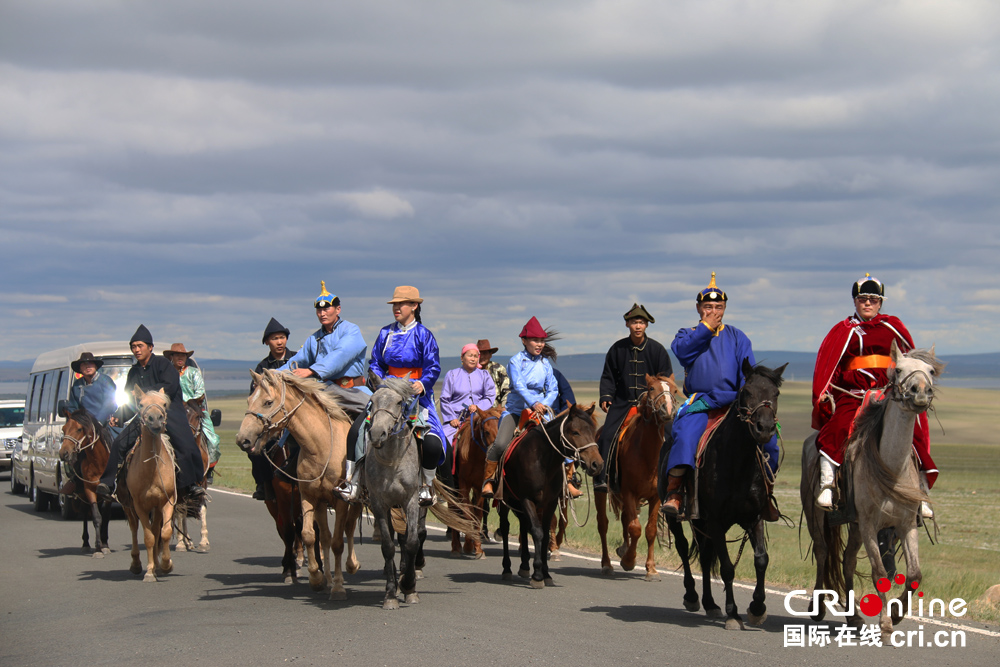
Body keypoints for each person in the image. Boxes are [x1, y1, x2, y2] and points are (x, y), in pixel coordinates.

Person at [812, 274, 936, 518]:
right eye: (862, 299)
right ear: (855, 302)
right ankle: (827, 483)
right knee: (839, 425)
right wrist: (826, 391)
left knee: (915, 430)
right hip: (855, 393)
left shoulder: (893, 327)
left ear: (880, 303)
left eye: (873, 300)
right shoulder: (843, 330)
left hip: (889, 393)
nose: (867, 304)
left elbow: (909, 362)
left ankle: (920, 493)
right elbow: (831, 364)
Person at [660, 274, 780, 522]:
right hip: (701, 403)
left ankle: (765, 495)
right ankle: (675, 493)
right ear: (698, 309)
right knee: (686, 435)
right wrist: (706, 328)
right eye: (708, 307)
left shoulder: (738, 337)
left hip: (734, 403)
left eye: (719, 307)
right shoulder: (687, 334)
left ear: (725, 308)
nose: (714, 311)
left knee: (769, 440)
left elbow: (749, 374)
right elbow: (682, 353)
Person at [342, 286, 446, 507]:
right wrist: (379, 384)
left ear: (414, 306)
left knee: (433, 444)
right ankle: (352, 482)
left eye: (401, 304)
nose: (396, 308)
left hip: (415, 396)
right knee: (356, 431)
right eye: (394, 305)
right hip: (387, 393)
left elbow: (433, 367)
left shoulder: (424, 335)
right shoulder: (385, 333)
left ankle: (426, 485)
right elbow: (376, 363)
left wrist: (423, 383)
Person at [96, 325, 206, 502]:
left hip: (169, 413)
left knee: (185, 445)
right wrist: (120, 416)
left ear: (150, 347)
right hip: (144, 418)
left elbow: (169, 388)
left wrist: (144, 392)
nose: (137, 350)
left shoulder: (163, 365)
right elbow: (131, 399)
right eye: (134, 347)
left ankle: (192, 484)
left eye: (140, 346)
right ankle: (108, 483)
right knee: (119, 443)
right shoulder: (134, 372)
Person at [595, 304, 674, 491]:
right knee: (606, 436)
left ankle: (674, 480)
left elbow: (666, 379)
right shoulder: (617, 349)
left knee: (672, 434)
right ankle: (602, 478)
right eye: (633, 322)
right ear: (627, 324)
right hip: (622, 403)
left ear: (646, 325)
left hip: (653, 406)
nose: (637, 326)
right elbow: (608, 376)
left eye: (641, 322)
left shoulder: (657, 350)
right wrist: (606, 396)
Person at [481, 316, 559, 499]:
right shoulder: (516, 361)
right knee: (500, 443)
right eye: (535, 340)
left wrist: (545, 404)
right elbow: (519, 385)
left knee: (560, 439)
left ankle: (569, 479)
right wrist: (534, 403)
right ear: (524, 341)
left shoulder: (545, 363)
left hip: (541, 410)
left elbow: (553, 387)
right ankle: (489, 480)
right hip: (517, 411)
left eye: (541, 341)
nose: (539, 344)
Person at [279, 281, 367, 388]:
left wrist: (312, 370)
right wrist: (273, 375)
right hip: (325, 389)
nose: (322, 314)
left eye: (326, 309)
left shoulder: (351, 330)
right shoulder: (314, 339)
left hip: (351, 389)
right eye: (319, 310)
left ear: (338, 309)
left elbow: (340, 355)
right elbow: (296, 361)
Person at [248, 317, 294, 500]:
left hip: (295, 417)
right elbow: (257, 398)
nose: (280, 342)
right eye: (275, 338)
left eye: (282, 337)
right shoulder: (262, 367)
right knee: (255, 449)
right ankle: (264, 484)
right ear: (267, 342)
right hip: (273, 420)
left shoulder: (297, 359)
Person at [163, 343, 221, 483]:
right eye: (177, 355)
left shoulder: (193, 372)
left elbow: (200, 392)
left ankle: (208, 470)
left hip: (193, 408)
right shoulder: (166, 373)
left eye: (183, 355)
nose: (180, 358)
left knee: (213, 440)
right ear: (171, 357)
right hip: (172, 411)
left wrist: (188, 403)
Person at [439, 344, 497, 446]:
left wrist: (478, 407)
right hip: (456, 419)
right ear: (462, 357)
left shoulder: (484, 375)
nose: (473, 359)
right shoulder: (452, 374)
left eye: (475, 356)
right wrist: (451, 418)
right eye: (470, 355)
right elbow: (445, 399)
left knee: (494, 438)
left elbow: (490, 396)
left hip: (478, 417)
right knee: (442, 442)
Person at [66, 352, 119, 426]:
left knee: (118, 436)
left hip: (105, 423)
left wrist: (98, 421)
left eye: (90, 363)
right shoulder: (76, 385)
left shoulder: (106, 381)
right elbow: (73, 408)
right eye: (84, 364)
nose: (87, 367)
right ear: (80, 369)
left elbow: (109, 404)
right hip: (84, 424)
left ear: (96, 366)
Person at [476, 339, 510, 408]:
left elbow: (507, 391)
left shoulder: (498, 369)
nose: (482, 357)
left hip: (497, 410)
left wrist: (503, 407)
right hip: (476, 411)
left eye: (485, 353)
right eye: (479, 354)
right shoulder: (471, 371)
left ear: (490, 355)